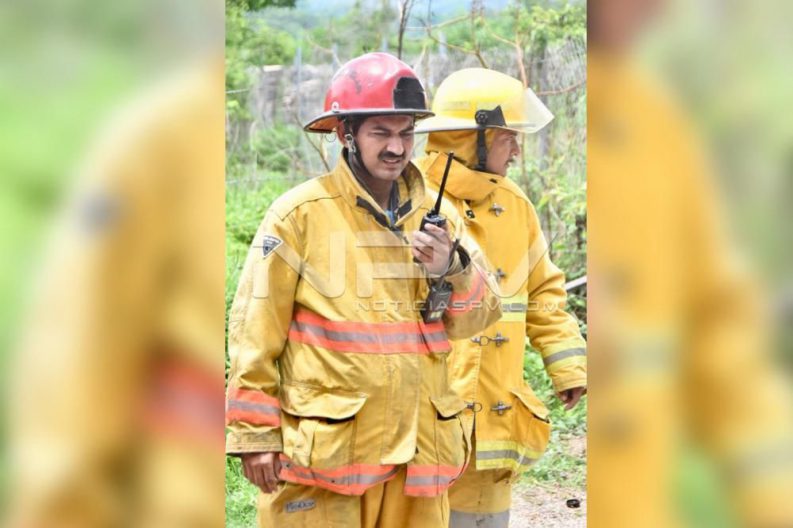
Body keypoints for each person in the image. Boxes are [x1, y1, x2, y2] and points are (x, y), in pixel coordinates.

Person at [224, 52, 502, 528]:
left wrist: (451, 268)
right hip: (330, 462)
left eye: (406, 133)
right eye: (381, 132)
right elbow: (256, 329)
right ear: (345, 134)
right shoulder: (299, 215)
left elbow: (482, 315)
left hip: (419, 461)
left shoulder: (439, 218)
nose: (397, 147)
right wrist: (255, 435)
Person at [414, 68, 587, 527]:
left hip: (495, 414)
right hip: (426, 418)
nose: (517, 150)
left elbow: (544, 289)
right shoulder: (411, 199)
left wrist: (569, 365)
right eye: (508, 137)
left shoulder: (515, 205)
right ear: (472, 139)